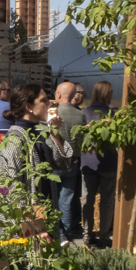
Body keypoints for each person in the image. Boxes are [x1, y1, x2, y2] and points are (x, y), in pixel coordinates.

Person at [0, 85, 72, 226]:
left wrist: (55, 134)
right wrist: (31, 227)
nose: (50, 104)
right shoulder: (14, 140)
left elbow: (61, 164)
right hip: (25, 227)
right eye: (44, 101)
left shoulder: (36, 134)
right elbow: (8, 189)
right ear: (29, 107)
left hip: (40, 216)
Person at [81, 81, 118, 248]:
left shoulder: (84, 114)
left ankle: (87, 235)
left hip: (87, 162)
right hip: (109, 162)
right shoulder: (113, 114)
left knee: (87, 199)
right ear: (108, 94)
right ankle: (103, 235)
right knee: (107, 199)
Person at [51, 82, 84, 239]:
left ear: (58, 95)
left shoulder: (52, 113)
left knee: (50, 197)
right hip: (74, 161)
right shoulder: (80, 115)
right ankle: (64, 236)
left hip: (54, 161)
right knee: (67, 199)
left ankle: (53, 232)